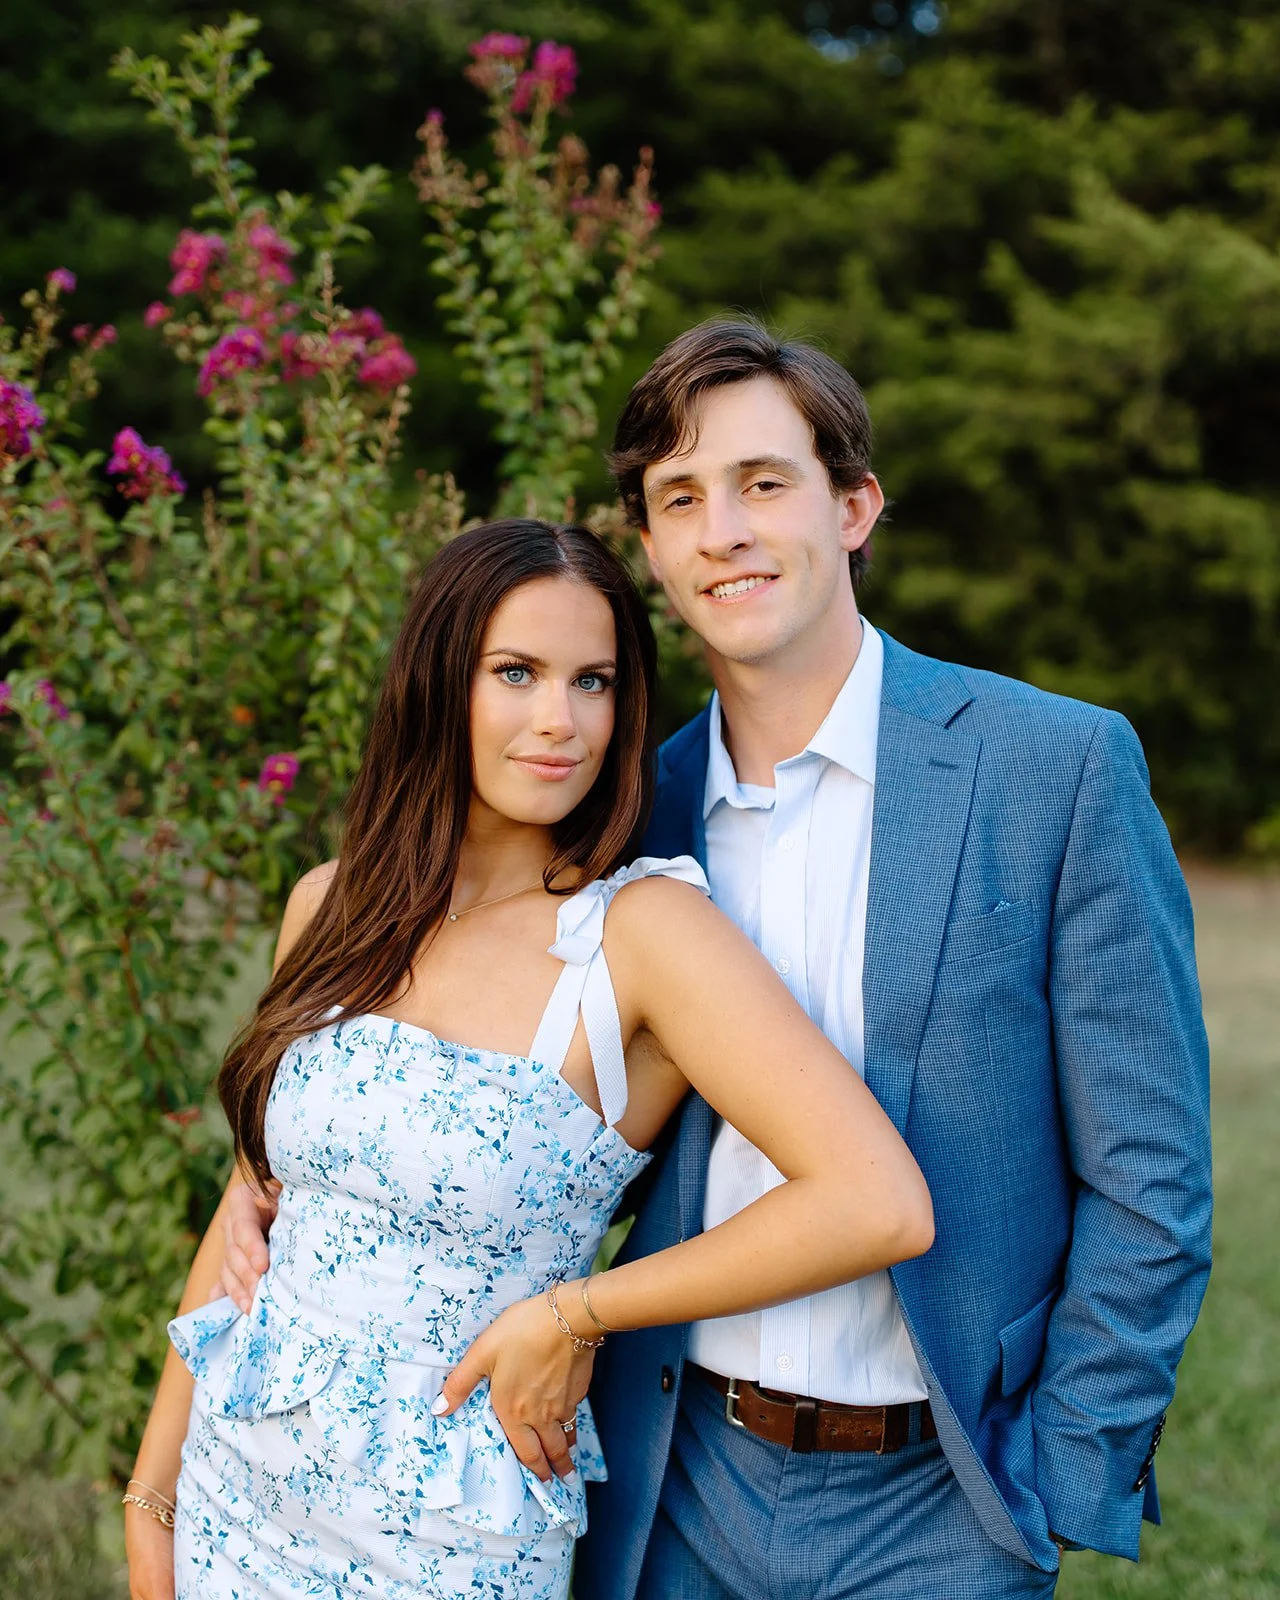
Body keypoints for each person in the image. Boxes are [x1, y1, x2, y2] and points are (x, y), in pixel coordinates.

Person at [221, 319, 1213, 1599]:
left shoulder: (1049, 770)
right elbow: (471, 1058)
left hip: (944, 1489)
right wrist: (273, 1174)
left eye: (761, 483)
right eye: (679, 497)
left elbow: (1151, 1173)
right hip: (675, 1476)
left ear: (852, 506)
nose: (722, 531)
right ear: (649, 546)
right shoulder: (620, 814)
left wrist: (1066, 1472)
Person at [124, 516, 934, 1600]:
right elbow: (256, 1207)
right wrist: (152, 1495)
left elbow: (875, 1200)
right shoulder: (329, 906)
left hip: (448, 1538)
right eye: (516, 672)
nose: (561, 722)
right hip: (236, 1497)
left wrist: (575, 1311)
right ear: (437, 683)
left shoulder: (641, 935)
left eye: (592, 682)